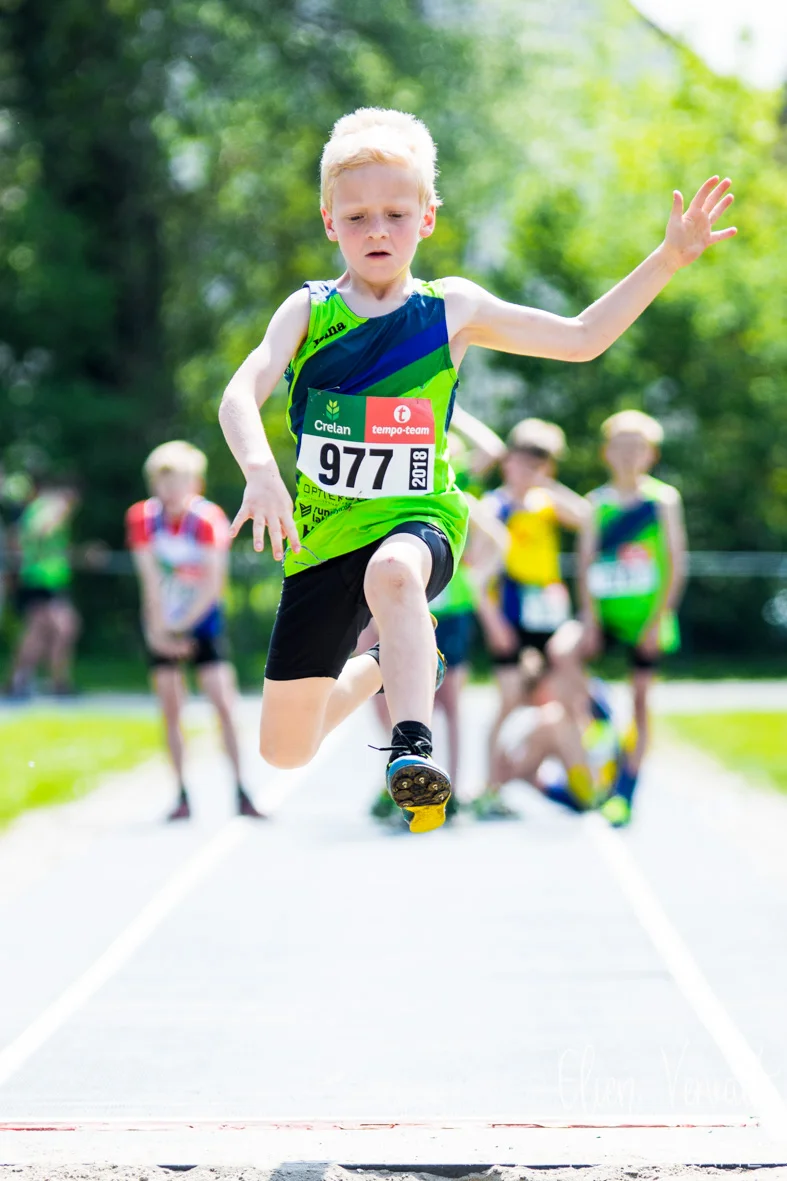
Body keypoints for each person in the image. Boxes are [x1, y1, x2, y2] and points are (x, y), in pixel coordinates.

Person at [217, 104, 734, 834]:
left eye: (395, 214)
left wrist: (666, 259)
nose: (376, 231)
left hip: (416, 521)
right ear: (329, 221)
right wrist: (260, 471)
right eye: (357, 216)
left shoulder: (449, 309)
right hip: (321, 538)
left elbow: (583, 338)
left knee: (393, 574)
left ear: (426, 218)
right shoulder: (308, 310)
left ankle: (412, 749)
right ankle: (402, 661)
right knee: (284, 749)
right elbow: (241, 392)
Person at [367, 409, 508, 824]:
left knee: (448, 703)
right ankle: (400, 782)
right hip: (400, 609)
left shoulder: (456, 487)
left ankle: (454, 788)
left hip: (452, 612)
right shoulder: (396, 484)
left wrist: (452, 412)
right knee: (395, 700)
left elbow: (498, 536)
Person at [550, 410, 688, 826]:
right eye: (621, 446)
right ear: (606, 452)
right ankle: (603, 716)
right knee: (561, 652)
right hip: (604, 617)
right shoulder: (597, 503)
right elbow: (585, 562)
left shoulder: (662, 501)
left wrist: (656, 621)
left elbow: (676, 565)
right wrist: (589, 620)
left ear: (651, 454)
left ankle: (625, 791)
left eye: (637, 447)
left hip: (646, 618)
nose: (629, 455)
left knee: (643, 699)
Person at [126, 441, 264, 822]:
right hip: (162, 621)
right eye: (163, 481)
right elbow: (149, 580)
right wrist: (158, 631)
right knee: (171, 706)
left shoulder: (207, 518)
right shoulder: (142, 517)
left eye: (179, 480)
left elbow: (212, 585)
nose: (170, 490)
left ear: (195, 483)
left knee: (223, 701)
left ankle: (241, 790)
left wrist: (182, 627)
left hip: (201, 621)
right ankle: (181, 794)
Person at [474, 418, 589, 818]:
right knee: (508, 701)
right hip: (509, 616)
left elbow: (588, 515)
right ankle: (491, 789)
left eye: (537, 465)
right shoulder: (494, 507)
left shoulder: (546, 503)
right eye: (521, 463)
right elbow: (478, 574)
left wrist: (544, 485)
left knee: (559, 702)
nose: (526, 472)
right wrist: (493, 623)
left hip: (549, 616)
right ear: (507, 463)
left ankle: (545, 773)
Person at [491, 647, 622, 814]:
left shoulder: (568, 705)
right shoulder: (581, 693)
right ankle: (498, 786)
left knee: (550, 722)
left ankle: (496, 787)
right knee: (547, 728)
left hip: (595, 786)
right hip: (588, 783)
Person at [8, 479, 82, 698]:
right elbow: (35, 534)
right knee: (63, 628)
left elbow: (21, 540)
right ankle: (55, 682)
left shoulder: (39, 509)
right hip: (42, 581)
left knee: (39, 633)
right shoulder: (50, 508)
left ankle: (23, 680)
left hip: (48, 581)